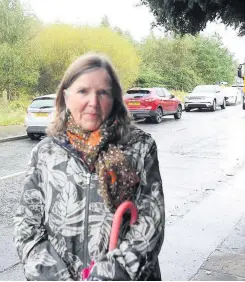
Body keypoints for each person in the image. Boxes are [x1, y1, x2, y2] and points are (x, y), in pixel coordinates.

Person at [13, 53, 165, 281]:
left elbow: (151, 222)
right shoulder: (45, 152)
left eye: (103, 92)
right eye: (83, 91)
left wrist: (107, 275)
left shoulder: (140, 147)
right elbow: (27, 223)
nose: (93, 102)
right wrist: (57, 277)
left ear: (114, 98)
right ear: (66, 96)